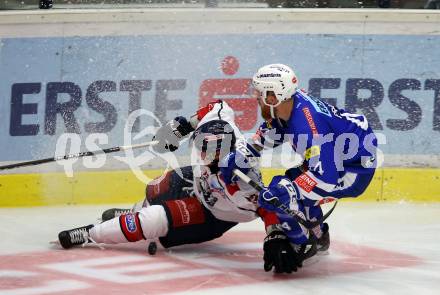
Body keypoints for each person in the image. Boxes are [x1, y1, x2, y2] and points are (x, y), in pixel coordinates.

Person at [57, 100, 298, 271]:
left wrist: (275, 235)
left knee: (152, 221)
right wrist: (181, 127)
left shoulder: (241, 175)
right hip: (198, 183)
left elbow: (266, 206)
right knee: (155, 188)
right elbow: (217, 106)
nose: (203, 153)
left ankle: (92, 233)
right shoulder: (221, 124)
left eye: (210, 151)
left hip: (213, 215)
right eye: (200, 146)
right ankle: (131, 217)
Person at [221, 63, 378, 273]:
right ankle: (318, 235)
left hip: (352, 172)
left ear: (273, 95)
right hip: (341, 160)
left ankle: (302, 244)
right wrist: (240, 156)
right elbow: (271, 132)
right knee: (286, 184)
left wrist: (286, 193)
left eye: (259, 92)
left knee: (281, 194)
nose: (256, 97)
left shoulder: (309, 126)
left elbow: (326, 177)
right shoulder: (288, 106)